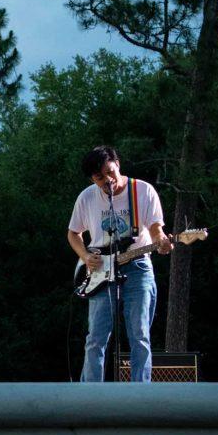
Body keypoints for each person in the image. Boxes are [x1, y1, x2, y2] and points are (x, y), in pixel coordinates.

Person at [67, 146, 173, 382]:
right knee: (96, 337)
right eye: (99, 178)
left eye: (110, 172)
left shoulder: (142, 191)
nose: (107, 181)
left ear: (118, 164)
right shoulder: (86, 197)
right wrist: (85, 256)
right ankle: (91, 398)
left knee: (140, 334)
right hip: (101, 271)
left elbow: (156, 229)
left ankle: (139, 396)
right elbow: (73, 233)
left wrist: (162, 242)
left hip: (137, 267)